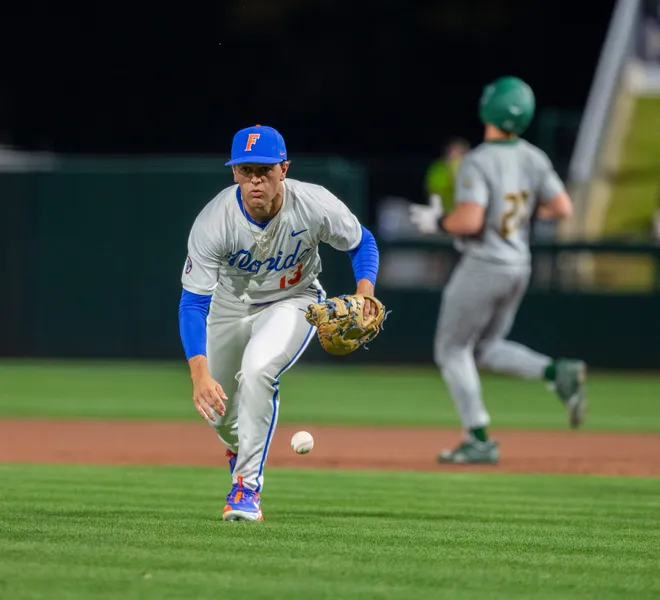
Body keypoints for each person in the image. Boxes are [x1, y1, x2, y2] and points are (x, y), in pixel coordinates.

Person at [178, 125, 379, 519]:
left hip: (294, 301)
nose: (255, 179)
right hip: (228, 308)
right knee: (220, 414)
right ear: (234, 172)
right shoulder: (213, 221)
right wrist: (198, 372)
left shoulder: (313, 204)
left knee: (258, 369)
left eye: (265, 170)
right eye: (246, 170)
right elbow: (192, 303)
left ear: (283, 169)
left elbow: (361, 242)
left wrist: (366, 292)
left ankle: (246, 489)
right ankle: (241, 451)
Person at [410, 76, 587, 464]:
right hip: (518, 265)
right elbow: (562, 209)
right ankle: (557, 372)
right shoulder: (534, 157)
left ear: (489, 109)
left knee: (452, 349)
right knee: (486, 349)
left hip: (484, 264)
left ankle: (478, 438)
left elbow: (470, 220)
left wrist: (438, 222)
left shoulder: (479, 159)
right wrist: (522, 215)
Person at [424, 137, 471, 214]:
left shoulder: (472, 168)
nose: (455, 157)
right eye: (452, 152)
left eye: (461, 153)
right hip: (443, 213)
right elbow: (434, 193)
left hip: (466, 214)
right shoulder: (437, 169)